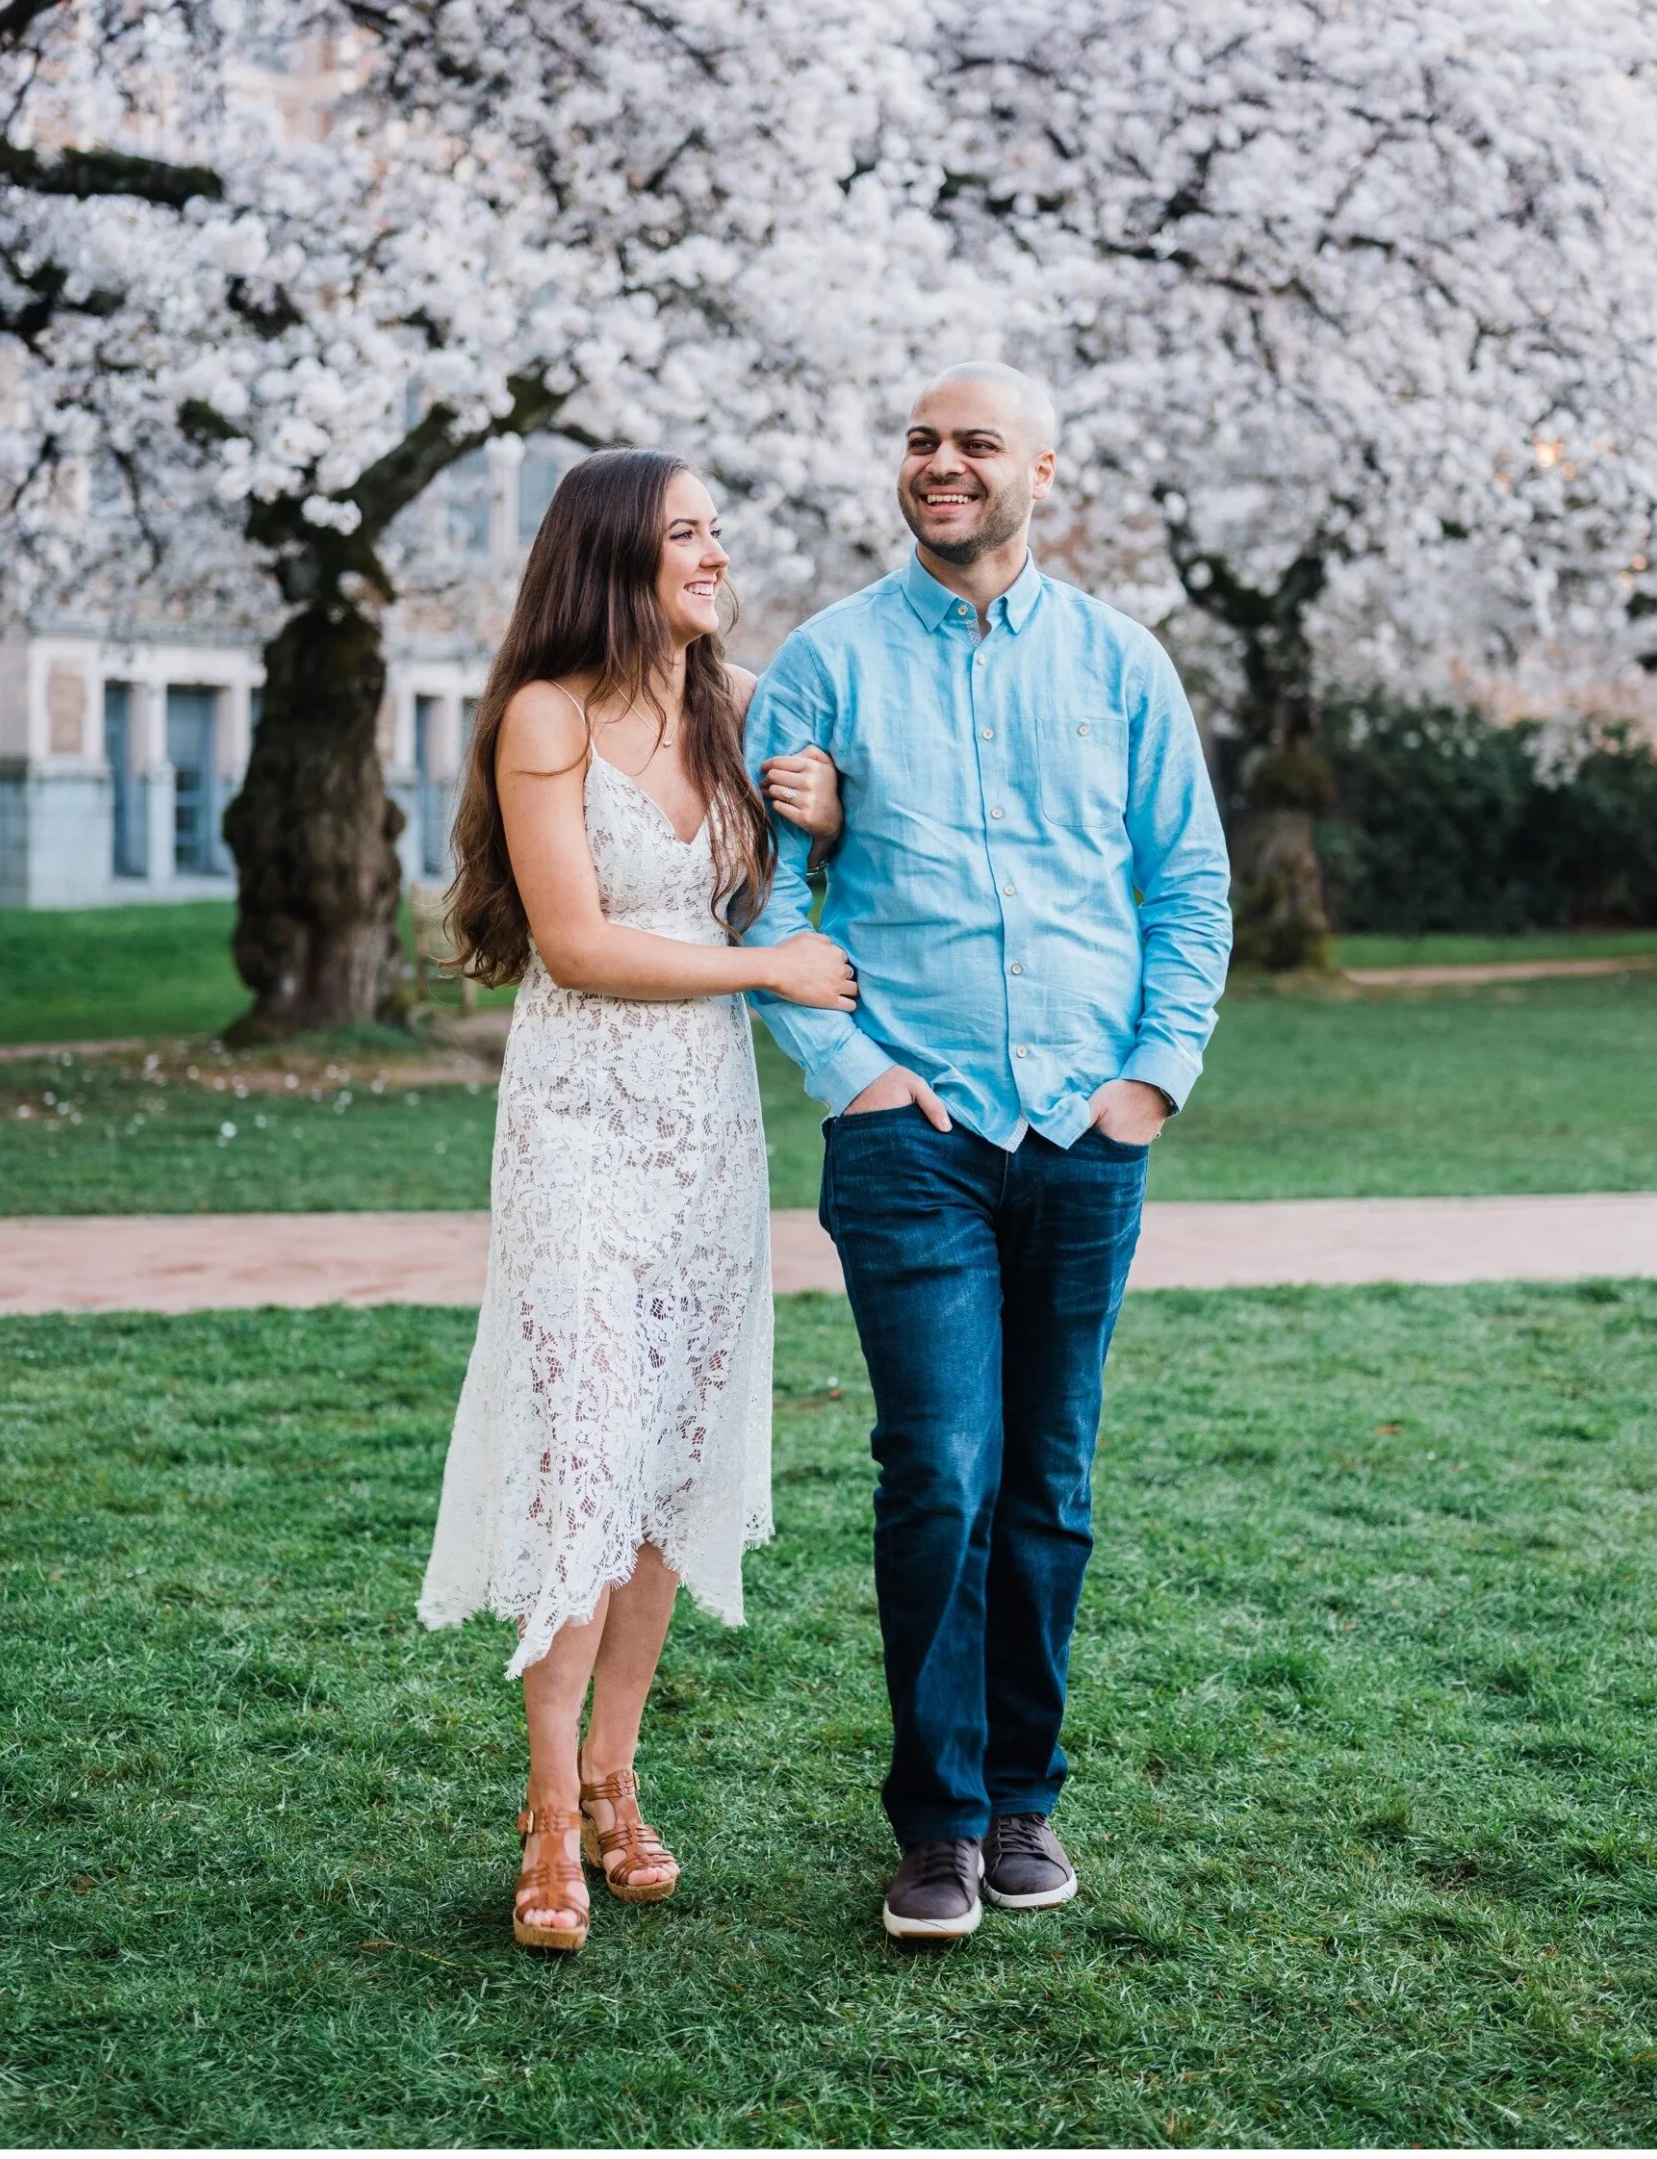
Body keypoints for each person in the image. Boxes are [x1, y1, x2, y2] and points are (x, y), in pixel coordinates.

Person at [742, 363, 1233, 1943]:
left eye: (973, 444)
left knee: (1053, 1479)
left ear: (1042, 472)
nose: (940, 465)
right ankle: (938, 1826)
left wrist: (1150, 1082)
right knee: (940, 1470)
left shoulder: (1120, 664)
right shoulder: (823, 665)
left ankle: (1027, 1802)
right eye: (920, 441)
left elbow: (1187, 889)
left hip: (1085, 1133)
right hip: (915, 1141)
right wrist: (855, 1072)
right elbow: (765, 906)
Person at [417, 449, 849, 1953]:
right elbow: (584, 946)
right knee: (586, 1445)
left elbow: (779, 899)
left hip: (710, 1136)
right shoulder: (547, 715)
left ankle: (617, 1775)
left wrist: (823, 818)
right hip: (583, 1121)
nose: (715, 556)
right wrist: (765, 968)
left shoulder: (724, 712)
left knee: (670, 1458)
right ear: (617, 554)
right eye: (686, 534)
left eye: (718, 531)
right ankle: (544, 1807)